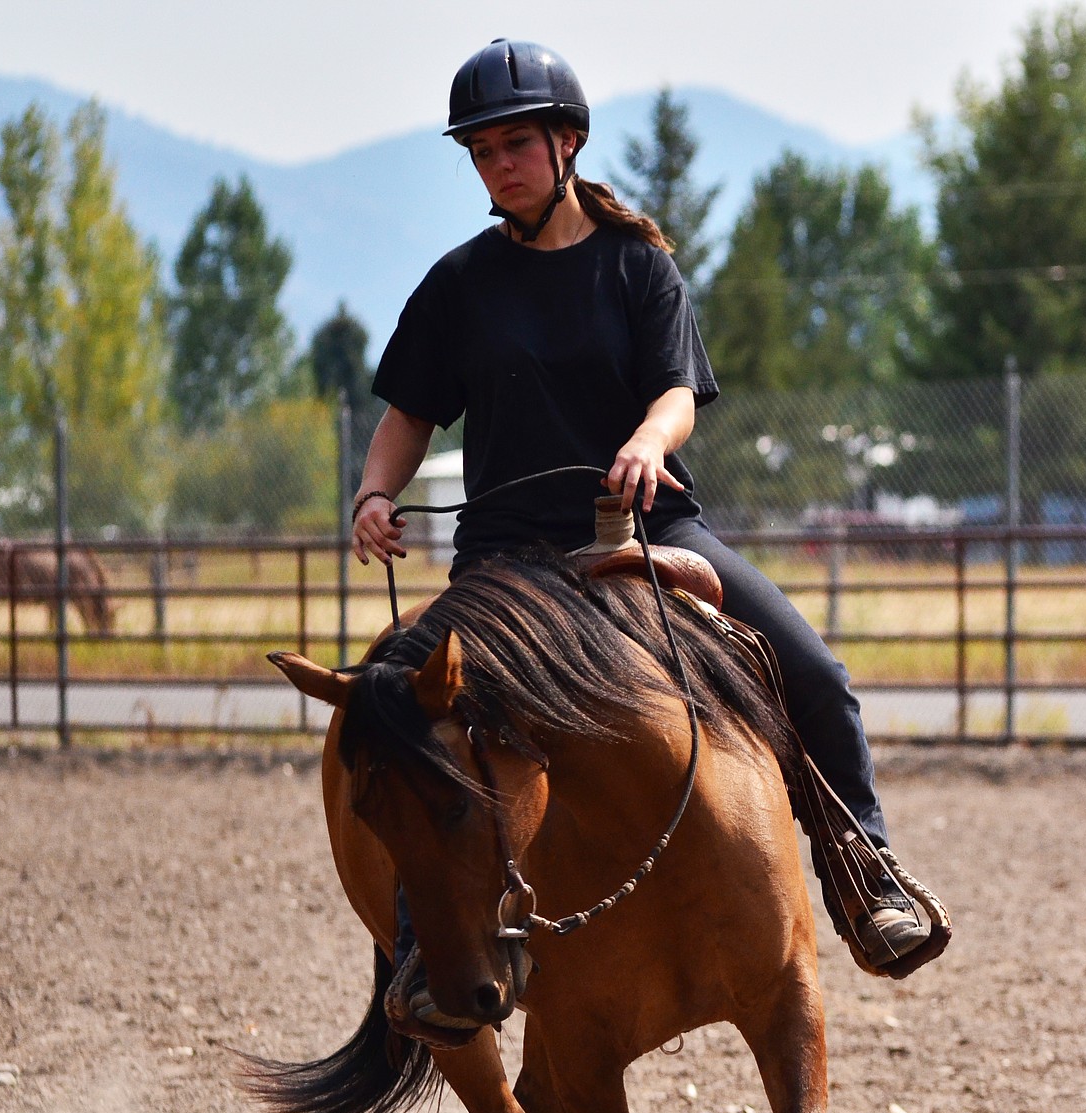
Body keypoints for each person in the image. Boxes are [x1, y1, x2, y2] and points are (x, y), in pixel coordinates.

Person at [351, 38, 931, 972]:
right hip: (503, 557)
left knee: (815, 675)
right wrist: (375, 492)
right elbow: (408, 414)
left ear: (567, 141)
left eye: (515, 146)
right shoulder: (459, 284)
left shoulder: (638, 266)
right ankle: (425, 948)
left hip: (646, 526)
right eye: (482, 153)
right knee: (419, 723)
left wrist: (648, 442)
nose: (499, 167)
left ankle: (867, 875)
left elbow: (674, 394)